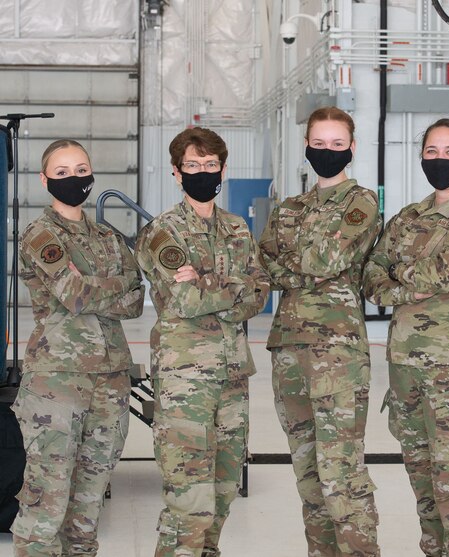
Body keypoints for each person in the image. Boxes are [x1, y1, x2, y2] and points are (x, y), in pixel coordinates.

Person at [362, 118, 449, 557]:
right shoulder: (409, 217)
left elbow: (441, 274)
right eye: (431, 152)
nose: (439, 160)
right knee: (422, 478)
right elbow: (370, 276)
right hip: (406, 365)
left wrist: (397, 278)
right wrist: (405, 282)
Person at [135, 127, 269, 557]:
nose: (202, 172)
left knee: (224, 488)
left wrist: (208, 282)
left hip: (232, 374)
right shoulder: (161, 232)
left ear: (223, 171)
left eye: (210, 166)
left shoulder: (237, 228)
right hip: (185, 379)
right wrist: (232, 287)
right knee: (189, 497)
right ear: (177, 173)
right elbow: (184, 300)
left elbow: (261, 293)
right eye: (193, 166)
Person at [258, 107, 381, 557]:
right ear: (306, 145)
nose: (326, 151)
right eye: (318, 143)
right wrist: (299, 263)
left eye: (336, 143)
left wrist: (294, 260)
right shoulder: (289, 207)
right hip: (288, 346)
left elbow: (322, 261)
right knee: (308, 473)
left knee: (341, 471)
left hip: (337, 351)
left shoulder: (360, 202)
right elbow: (264, 264)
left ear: (351, 147)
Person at [12, 139, 145, 556]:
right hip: (57, 384)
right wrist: (116, 284)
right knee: (45, 505)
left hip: (110, 382)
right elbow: (74, 296)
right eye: (63, 172)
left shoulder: (106, 235)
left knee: (87, 512)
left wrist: (97, 287)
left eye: (81, 169)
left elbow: (137, 300)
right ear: (45, 179)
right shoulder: (41, 234)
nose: (75, 178)